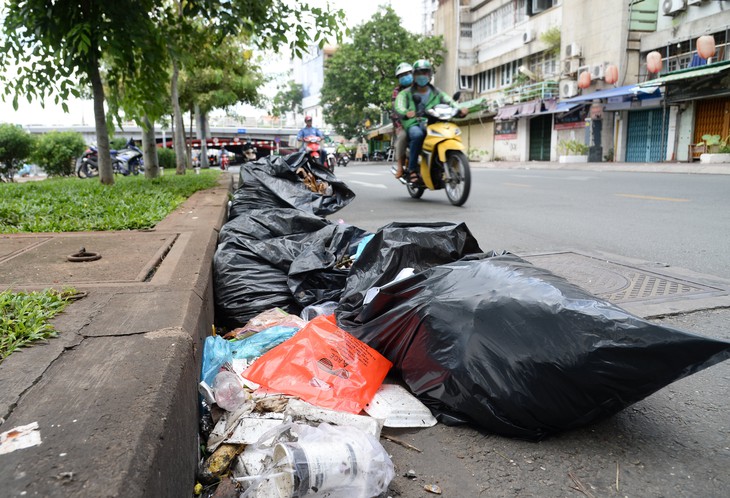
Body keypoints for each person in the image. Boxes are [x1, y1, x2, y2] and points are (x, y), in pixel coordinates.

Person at [394, 59, 467, 183]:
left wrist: (460, 109)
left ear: (430, 75)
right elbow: (398, 106)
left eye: (425, 72)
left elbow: (450, 101)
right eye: (419, 73)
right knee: (417, 135)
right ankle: (412, 169)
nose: (422, 76)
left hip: (434, 121)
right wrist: (406, 112)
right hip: (414, 123)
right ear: (414, 76)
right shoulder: (405, 93)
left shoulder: (437, 92)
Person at [391, 62, 413, 179]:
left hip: (421, 121)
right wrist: (399, 125)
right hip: (404, 123)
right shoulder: (397, 91)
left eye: (408, 73)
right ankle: (400, 167)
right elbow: (395, 110)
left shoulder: (420, 87)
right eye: (401, 75)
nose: (405, 76)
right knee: (402, 138)